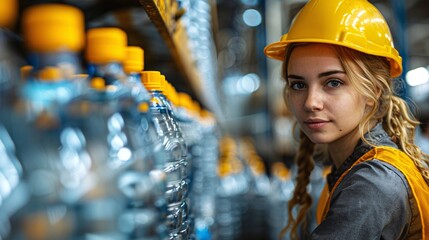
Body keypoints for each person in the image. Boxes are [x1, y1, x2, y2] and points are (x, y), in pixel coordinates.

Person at [264, 0, 429, 239]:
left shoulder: (372, 184)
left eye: (333, 82)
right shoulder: (357, 169)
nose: (311, 102)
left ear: (373, 92)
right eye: (298, 84)